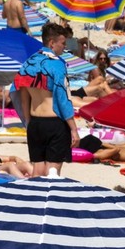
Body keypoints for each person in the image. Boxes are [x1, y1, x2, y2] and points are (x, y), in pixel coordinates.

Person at [13, 22, 78, 177]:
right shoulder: (57, 64)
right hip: (54, 123)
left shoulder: (27, 64)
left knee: (37, 171)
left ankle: (33, 201)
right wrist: (74, 129)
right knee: (52, 173)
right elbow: (62, 98)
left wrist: (28, 122)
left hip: (35, 123)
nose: (64, 47)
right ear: (51, 43)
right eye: (62, 43)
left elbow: (23, 96)